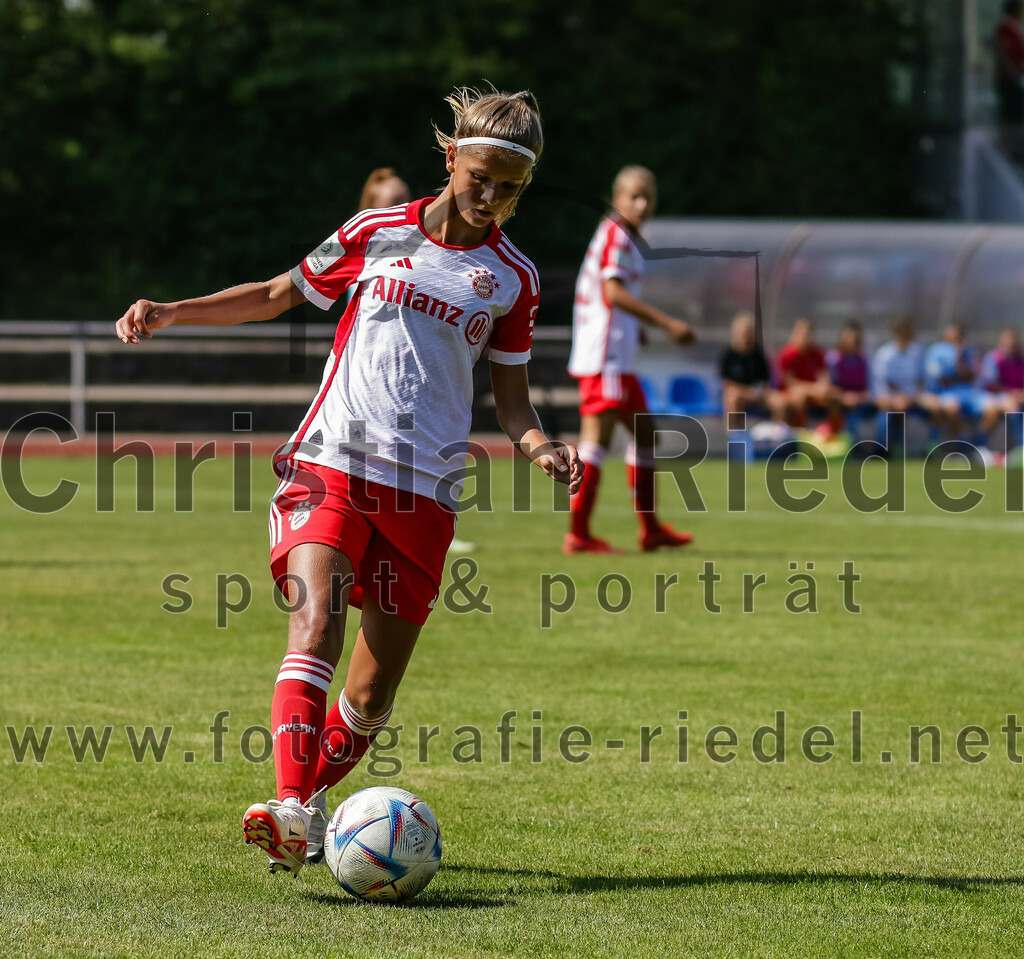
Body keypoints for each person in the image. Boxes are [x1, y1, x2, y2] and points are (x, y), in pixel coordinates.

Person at [115, 87, 582, 877]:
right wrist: (174, 310)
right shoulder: (378, 231)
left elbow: (512, 398)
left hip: (424, 494)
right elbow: (275, 294)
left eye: (512, 185)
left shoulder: (513, 278)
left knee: (367, 700)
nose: (493, 196)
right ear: (450, 159)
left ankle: (308, 805)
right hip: (332, 463)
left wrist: (539, 446)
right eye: (481, 175)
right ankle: (292, 803)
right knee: (315, 626)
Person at [566, 165, 695, 554]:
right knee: (596, 442)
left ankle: (649, 530)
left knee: (644, 436)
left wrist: (634, 329)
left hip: (612, 357)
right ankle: (579, 533)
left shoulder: (621, 235)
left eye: (647, 197)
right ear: (617, 198)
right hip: (605, 357)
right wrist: (667, 322)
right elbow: (612, 294)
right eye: (633, 196)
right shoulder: (618, 233)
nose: (640, 204)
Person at [924, 322, 1000, 445]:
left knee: (993, 407)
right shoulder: (936, 351)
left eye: (958, 336)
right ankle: (962, 445)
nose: (955, 339)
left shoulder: (969, 350)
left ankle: (979, 445)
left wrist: (959, 360)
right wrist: (958, 371)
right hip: (946, 392)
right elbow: (942, 379)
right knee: (951, 408)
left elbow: (972, 375)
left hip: (970, 392)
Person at [775, 318, 840, 433]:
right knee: (800, 396)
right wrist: (814, 388)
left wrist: (821, 388)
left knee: (834, 395)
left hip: (813, 392)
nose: (806, 337)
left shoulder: (818, 353)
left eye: (809, 334)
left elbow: (824, 378)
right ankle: (800, 434)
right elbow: (790, 384)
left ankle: (834, 433)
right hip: (790, 393)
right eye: (803, 334)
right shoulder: (787, 354)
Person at [719, 310, 774, 417]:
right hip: (738, 394)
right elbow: (727, 384)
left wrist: (758, 391)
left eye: (749, 333)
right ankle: (734, 432)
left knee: (780, 403)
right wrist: (747, 392)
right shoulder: (729, 355)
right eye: (743, 334)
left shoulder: (759, 355)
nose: (746, 337)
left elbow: (765, 381)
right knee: (733, 399)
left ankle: (779, 431)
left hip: (757, 395)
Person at [825, 320, 874, 437]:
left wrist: (856, 397)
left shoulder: (864, 361)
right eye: (848, 338)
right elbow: (828, 387)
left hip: (859, 404)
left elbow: (870, 390)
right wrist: (843, 397)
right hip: (838, 404)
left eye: (855, 339)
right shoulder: (833, 359)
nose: (851, 342)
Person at [980, 326, 1024, 446]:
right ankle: (1022, 446)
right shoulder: (993, 358)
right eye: (1008, 343)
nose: (1011, 345)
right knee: (1012, 407)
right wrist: (1014, 393)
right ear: (1001, 343)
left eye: (1014, 343)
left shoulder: (1020, 359)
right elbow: (992, 385)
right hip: (994, 396)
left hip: (1017, 397)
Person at [994, 1, 1024, 156]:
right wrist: (1014, 74)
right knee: (1011, 114)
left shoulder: (1010, 28)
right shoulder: (1006, 29)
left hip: (1012, 79)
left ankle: (1011, 147)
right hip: (1010, 80)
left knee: (1013, 113)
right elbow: (1003, 54)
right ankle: (1011, 149)